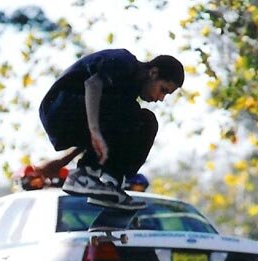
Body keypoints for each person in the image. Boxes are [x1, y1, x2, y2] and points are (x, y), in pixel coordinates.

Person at [37, 48, 184, 208]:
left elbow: (104, 131)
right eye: (163, 90)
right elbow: (92, 84)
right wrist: (94, 130)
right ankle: (84, 175)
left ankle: (111, 181)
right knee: (130, 110)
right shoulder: (124, 62)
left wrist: (63, 161)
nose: (160, 98)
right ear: (153, 72)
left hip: (76, 115)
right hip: (58, 107)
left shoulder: (123, 99)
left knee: (146, 122)